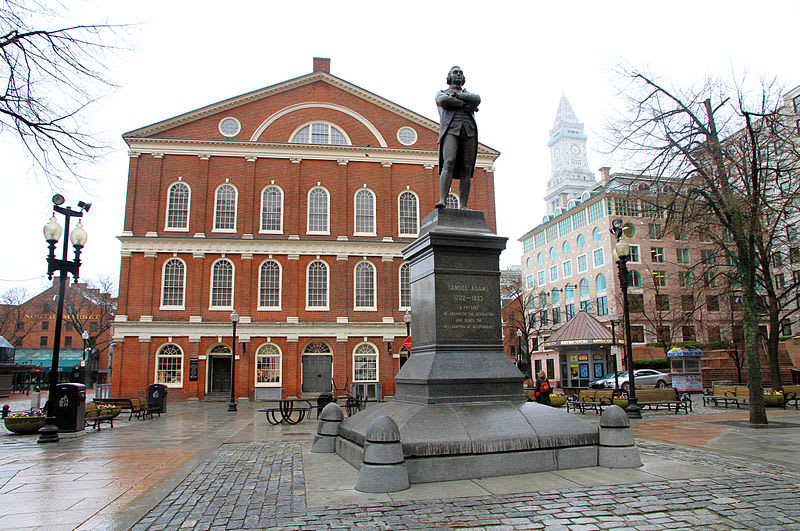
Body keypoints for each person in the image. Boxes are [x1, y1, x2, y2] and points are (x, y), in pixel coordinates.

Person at [435, 66, 481, 210]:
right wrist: (464, 104)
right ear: (449, 77)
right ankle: (443, 200)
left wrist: (458, 97)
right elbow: (443, 101)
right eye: (455, 72)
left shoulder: (469, 94)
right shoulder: (442, 93)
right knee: (449, 161)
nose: (459, 75)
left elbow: (477, 99)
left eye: (461, 73)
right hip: (451, 129)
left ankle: (463, 206)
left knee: (467, 168)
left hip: (469, 130)